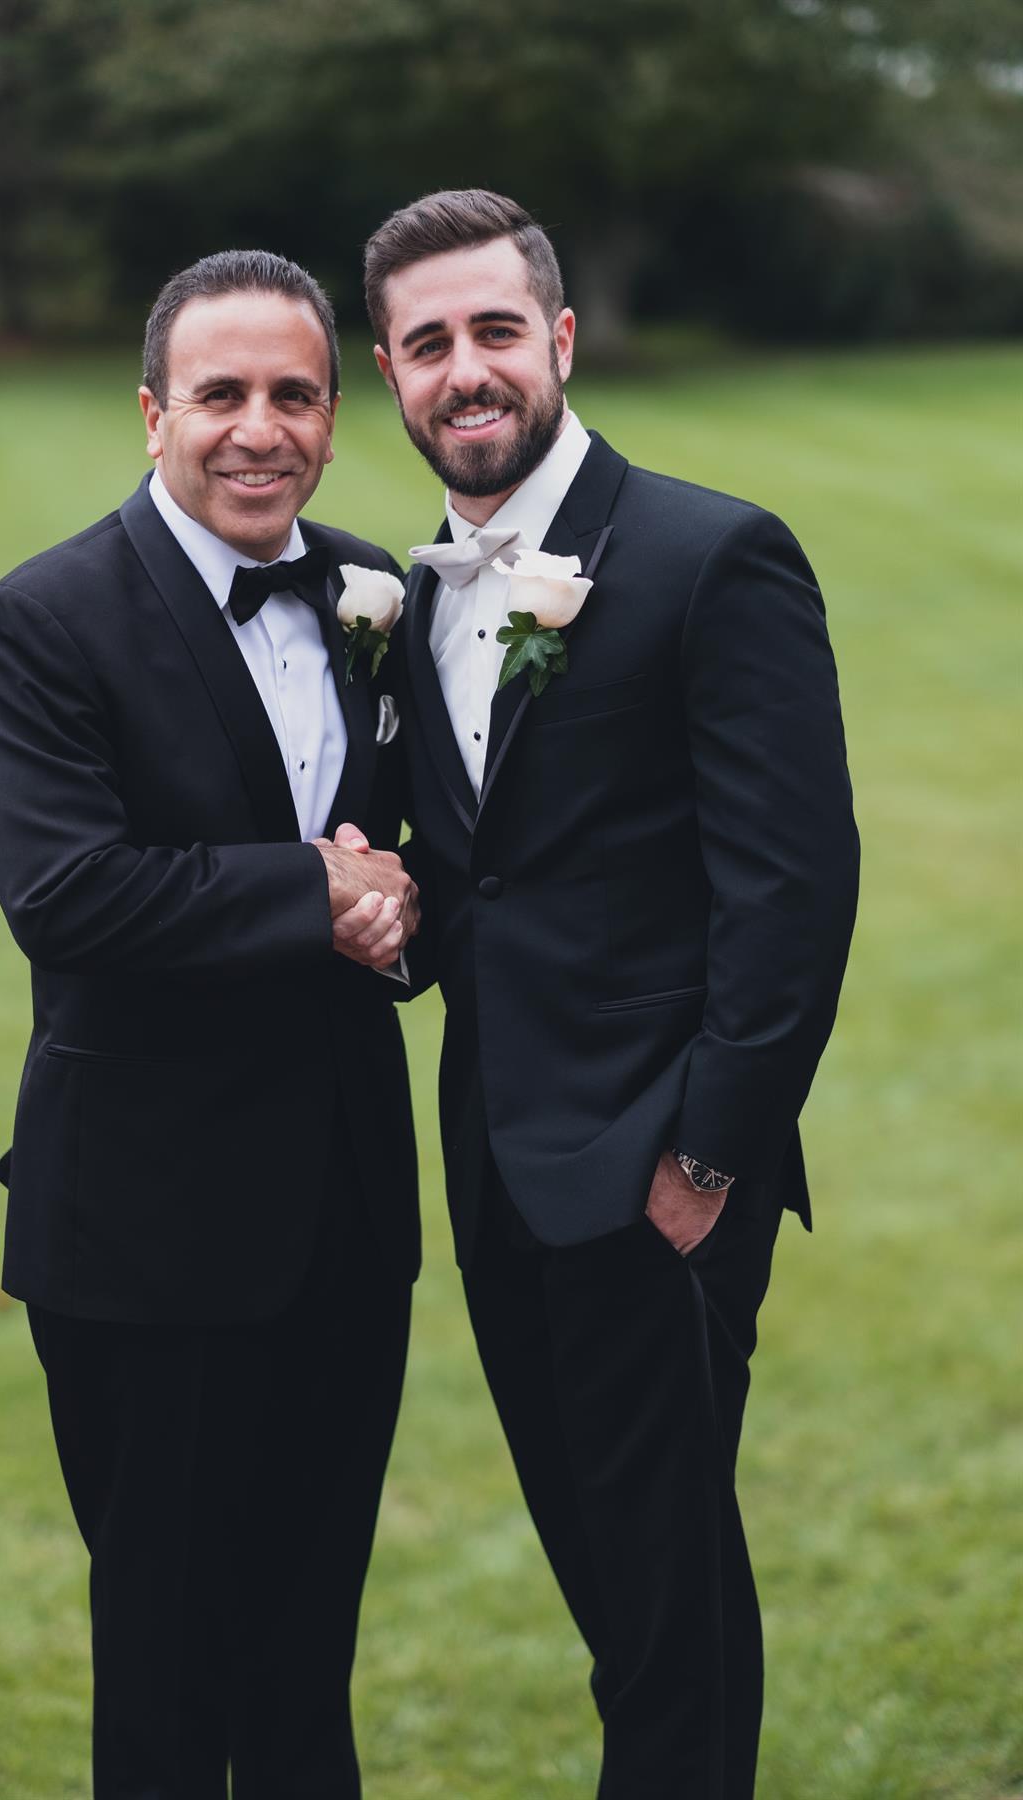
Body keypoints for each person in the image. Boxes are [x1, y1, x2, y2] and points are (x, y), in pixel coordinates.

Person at [364, 189, 860, 1798]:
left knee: (664, 1606)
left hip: (660, 1176)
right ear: (392, 372)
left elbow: (794, 892)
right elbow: (486, 878)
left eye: (495, 330)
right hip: (501, 1171)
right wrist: (381, 915)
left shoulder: (715, 557)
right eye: (427, 343)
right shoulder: (416, 600)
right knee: (614, 1589)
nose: (466, 369)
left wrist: (706, 1157)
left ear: (561, 339)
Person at [0, 249, 421, 1798]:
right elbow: (69, 895)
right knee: (164, 1679)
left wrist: (401, 911)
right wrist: (319, 891)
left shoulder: (371, 593)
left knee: (306, 1667)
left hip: (347, 1222)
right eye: (221, 393)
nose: (260, 428)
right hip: (145, 1237)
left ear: (335, 417)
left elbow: (414, 861)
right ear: (153, 412)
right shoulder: (43, 618)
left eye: (296, 394)